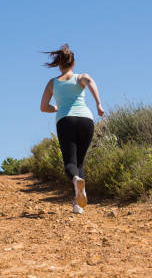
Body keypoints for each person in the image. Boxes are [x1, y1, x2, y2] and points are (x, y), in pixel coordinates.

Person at [40, 44, 104, 214]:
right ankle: (77, 204)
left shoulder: (52, 83)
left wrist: (58, 107)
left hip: (65, 121)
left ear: (59, 65)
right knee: (80, 162)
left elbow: (43, 107)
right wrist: (98, 103)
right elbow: (89, 81)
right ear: (73, 63)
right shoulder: (80, 77)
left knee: (70, 163)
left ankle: (76, 182)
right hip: (86, 120)